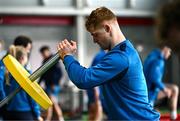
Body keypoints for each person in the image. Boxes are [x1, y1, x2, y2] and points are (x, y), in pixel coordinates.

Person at [57, 7, 160, 120]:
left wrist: (67, 56)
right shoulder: (121, 52)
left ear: (107, 28)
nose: (94, 40)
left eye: (95, 34)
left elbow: (83, 79)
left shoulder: (121, 57)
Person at [3, 45, 42, 121]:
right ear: (22, 58)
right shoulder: (27, 74)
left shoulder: (6, 73)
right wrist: (37, 114)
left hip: (9, 113)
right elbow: (32, 96)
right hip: (24, 113)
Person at [143, 45, 179, 120]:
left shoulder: (152, 55)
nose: (169, 54)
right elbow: (153, 78)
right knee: (174, 89)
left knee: (174, 88)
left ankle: (172, 114)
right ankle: (173, 116)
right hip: (150, 93)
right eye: (169, 51)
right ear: (165, 49)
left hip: (146, 90)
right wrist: (164, 89)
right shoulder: (159, 60)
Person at [39, 45, 64, 121]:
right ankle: (52, 118)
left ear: (48, 51)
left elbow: (60, 73)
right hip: (48, 85)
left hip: (53, 85)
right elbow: (42, 74)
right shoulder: (44, 61)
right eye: (42, 54)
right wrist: (38, 83)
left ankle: (57, 118)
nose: (43, 55)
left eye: (44, 53)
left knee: (52, 103)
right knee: (51, 103)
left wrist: (54, 83)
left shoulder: (54, 59)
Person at [87, 49, 106, 121]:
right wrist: (96, 92)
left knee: (94, 113)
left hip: (94, 89)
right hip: (95, 90)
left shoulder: (101, 55)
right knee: (97, 111)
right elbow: (95, 74)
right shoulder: (101, 56)